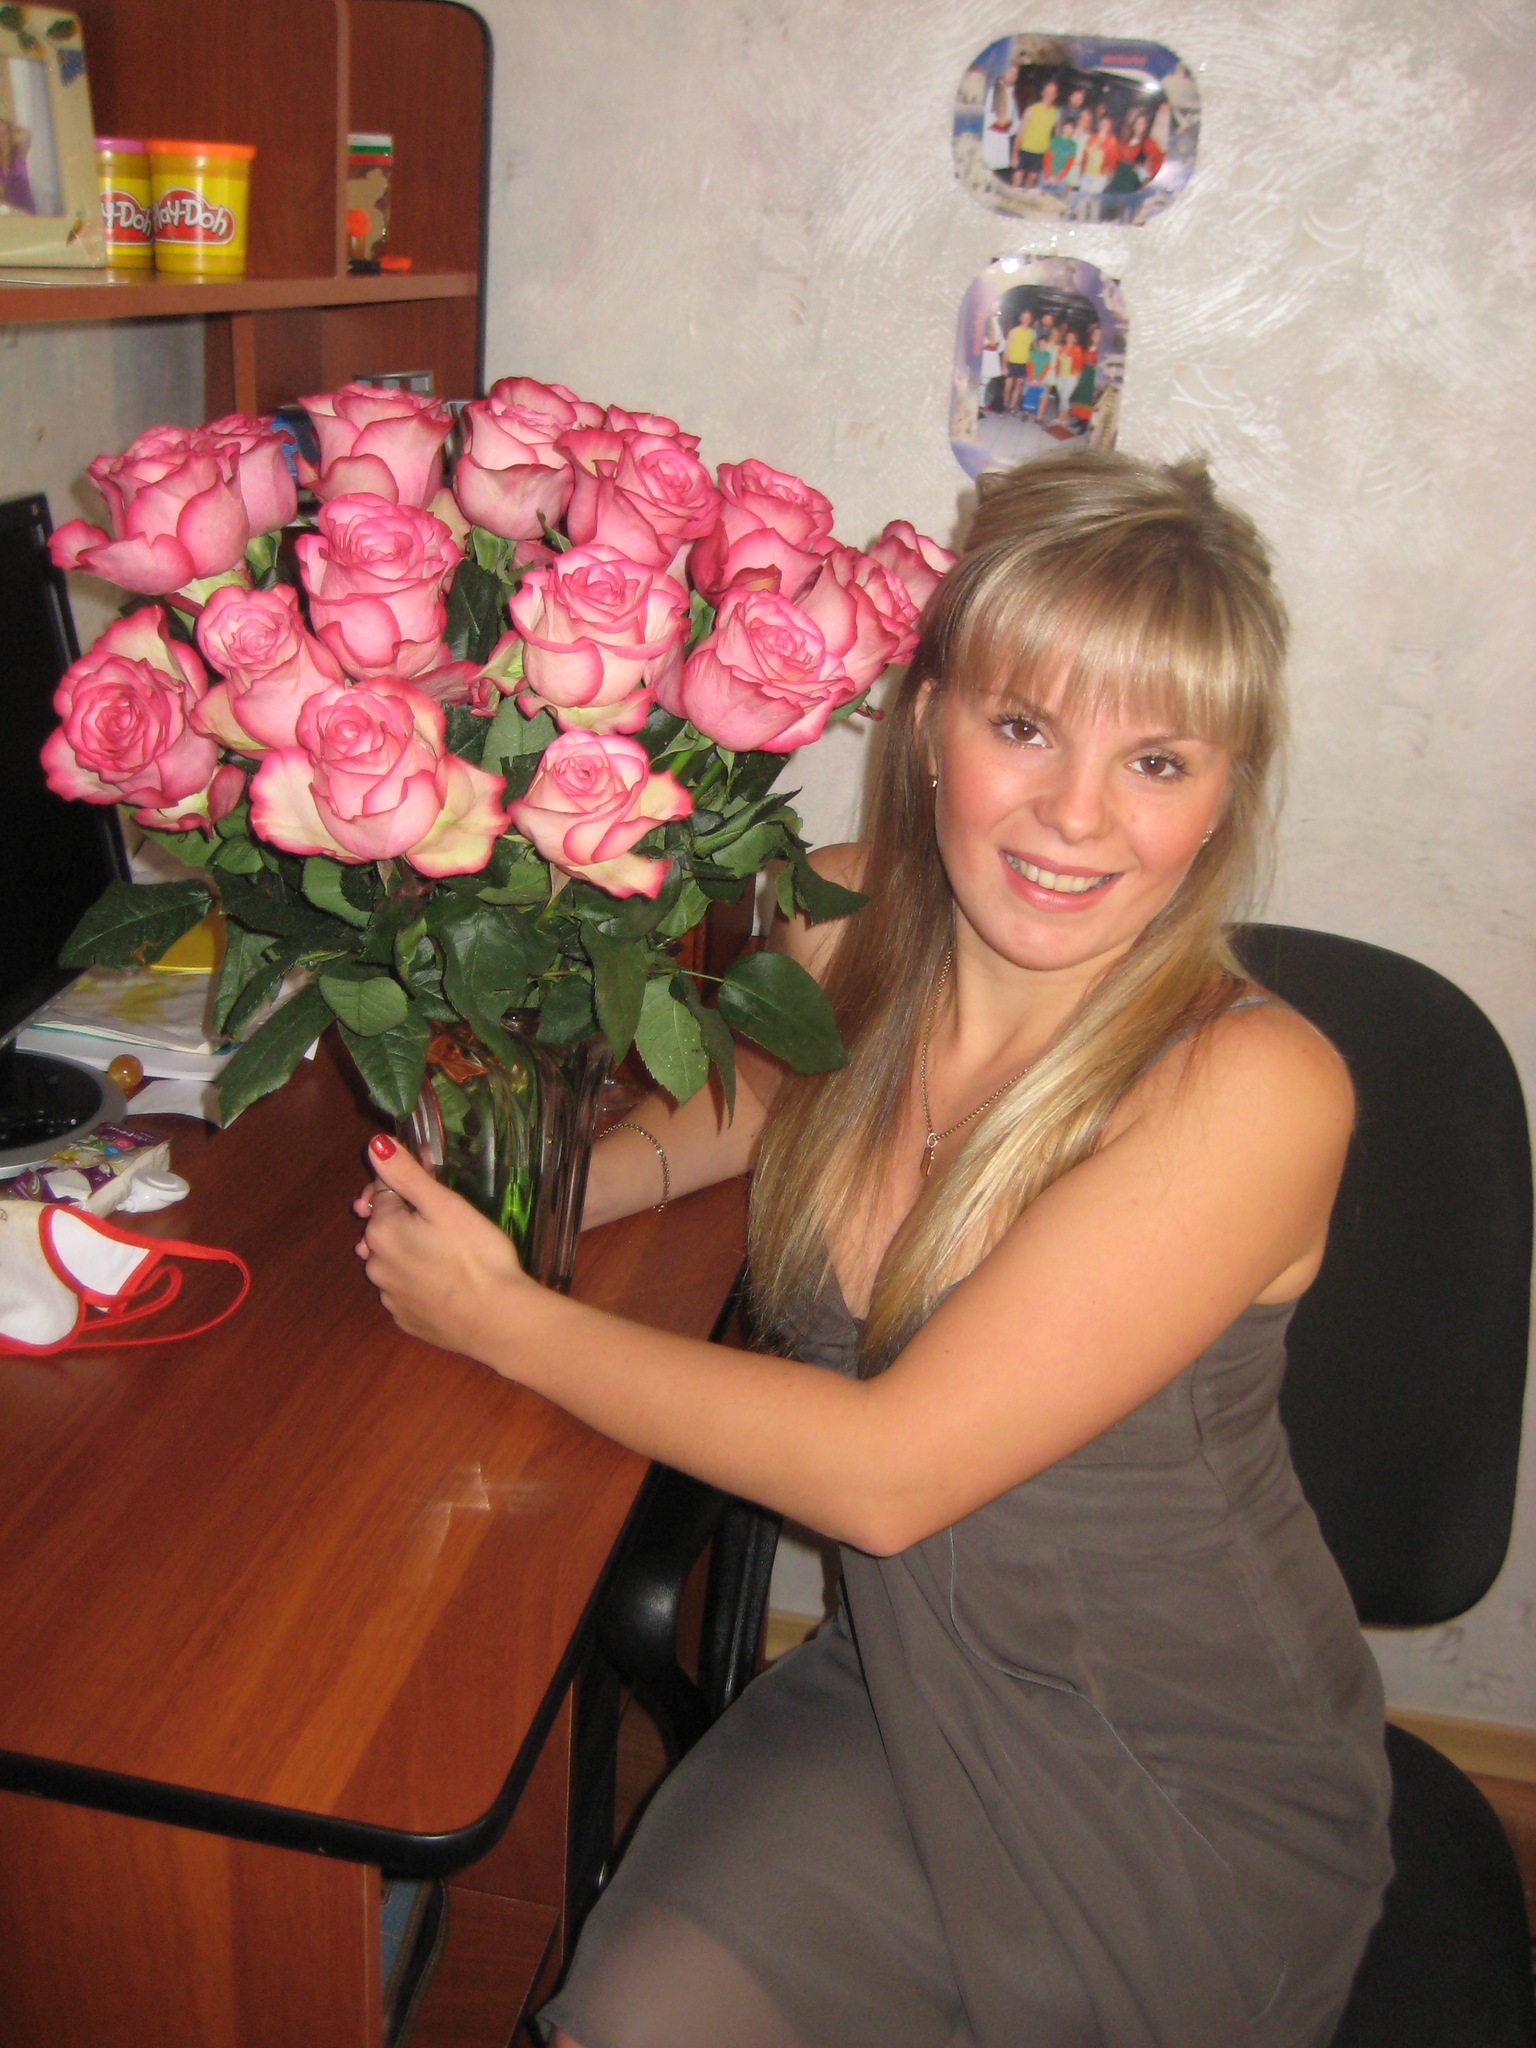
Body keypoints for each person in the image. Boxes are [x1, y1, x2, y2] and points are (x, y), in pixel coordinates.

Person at [357, 452, 1393, 2048]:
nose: (1076, 816)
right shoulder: (843, 913)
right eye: (1025, 727)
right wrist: (548, 1198)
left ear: (1224, 795)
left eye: (1157, 760)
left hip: (1179, 1776)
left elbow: (887, 1476)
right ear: (926, 724)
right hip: (906, 1688)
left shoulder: (1250, 1088)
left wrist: (506, 1318)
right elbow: (768, 1101)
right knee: (626, 2022)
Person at [1010, 75, 1058, 187]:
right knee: (1017, 181)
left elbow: (1056, 135)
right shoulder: (1031, 110)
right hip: (1025, 150)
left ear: (1055, 96)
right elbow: (1020, 133)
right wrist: (1014, 154)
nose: (1049, 95)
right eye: (1047, 92)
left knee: (1030, 182)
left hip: (1040, 154)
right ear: (1042, 92)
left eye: (1052, 93)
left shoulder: (1055, 113)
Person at [980, 62, 1019, 182]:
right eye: (1010, 73)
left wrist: (1010, 125)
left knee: (997, 173)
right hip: (991, 137)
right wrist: (995, 120)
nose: (1013, 76)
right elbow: (985, 114)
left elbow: (1015, 119)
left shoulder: (1011, 93)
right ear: (1003, 72)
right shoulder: (993, 90)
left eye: (1015, 74)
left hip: (1003, 138)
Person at [1001, 306, 1034, 414]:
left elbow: (1030, 349)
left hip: (1023, 364)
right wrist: (1004, 366)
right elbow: (1007, 349)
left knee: (1018, 387)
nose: (1025, 320)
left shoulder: (1031, 333)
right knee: (1007, 387)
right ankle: (1004, 406)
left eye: (1028, 318)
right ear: (1020, 318)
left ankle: (1012, 407)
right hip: (1011, 363)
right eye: (1024, 318)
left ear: (1030, 320)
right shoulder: (1013, 332)